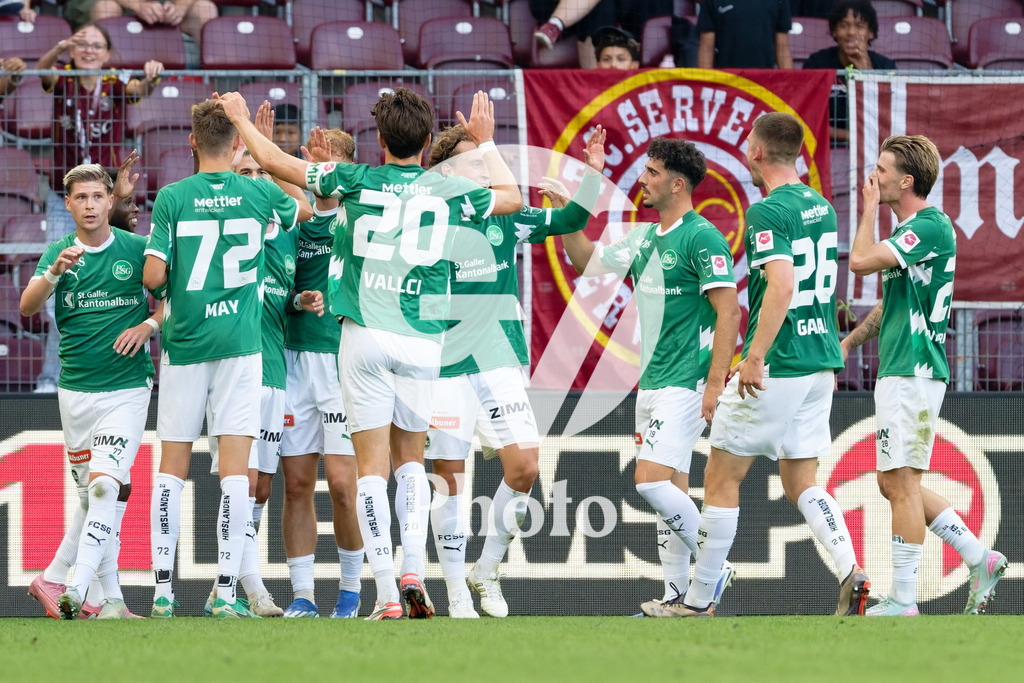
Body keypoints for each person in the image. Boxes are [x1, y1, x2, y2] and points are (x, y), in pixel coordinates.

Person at [218, 86, 523, 620]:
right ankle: (412, 570)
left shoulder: (352, 179)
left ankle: (385, 593)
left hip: (363, 336)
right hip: (424, 338)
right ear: (429, 142)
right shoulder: (447, 190)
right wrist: (486, 141)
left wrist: (245, 122)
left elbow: (271, 162)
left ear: (377, 140)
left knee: (370, 469)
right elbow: (513, 198)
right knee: (411, 461)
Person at [679, 112, 869, 618]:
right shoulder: (822, 206)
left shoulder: (768, 211)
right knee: (801, 481)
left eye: (748, 140)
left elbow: (782, 285)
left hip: (780, 362)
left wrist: (754, 355)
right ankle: (852, 569)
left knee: (721, 476)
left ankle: (697, 601)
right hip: (819, 363)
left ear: (758, 152)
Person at [422, 124, 602, 618]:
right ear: (447, 171)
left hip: (499, 356)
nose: (482, 170)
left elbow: (570, 218)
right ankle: (457, 590)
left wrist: (592, 174)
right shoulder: (431, 216)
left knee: (523, 467)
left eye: (485, 162)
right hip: (445, 362)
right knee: (449, 477)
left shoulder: (509, 217)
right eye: (472, 162)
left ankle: (488, 568)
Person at [561, 135, 742, 618]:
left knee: (649, 482)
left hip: (686, 381)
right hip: (654, 380)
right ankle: (677, 595)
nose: (642, 180)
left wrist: (715, 382)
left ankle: (713, 566)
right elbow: (586, 261)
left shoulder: (702, 236)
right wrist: (573, 206)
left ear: (677, 183)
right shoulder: (642, 236)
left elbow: (729, 312)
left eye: (652, 172)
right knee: (673, 491)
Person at [144, 98, 311, 619]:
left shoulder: (172, 196)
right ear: (238, 145)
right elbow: (302, 209)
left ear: (192, 142)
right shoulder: (259, 190)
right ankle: (224, 591)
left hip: (186, 347)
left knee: (171, 470)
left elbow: (152, 279)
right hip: (240, 350)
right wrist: (270, 152)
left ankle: (163, 594)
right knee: (236, 475)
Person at [843, 135, 1008, 616]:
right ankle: (980, 557)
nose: (874, 177)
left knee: (903, 483)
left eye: (881, 170)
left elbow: (858, 261)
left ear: (905, 180)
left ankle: (906, 600)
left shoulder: (929, 227)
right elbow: (891, 302)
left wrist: (868, 207)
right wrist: (849, 343)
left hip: (913, 371)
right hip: (904, 369)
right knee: (894, 483)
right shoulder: (912, 236)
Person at [20, 163, 161, 619]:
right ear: (68, 204)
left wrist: (149, 323)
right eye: (80, 198)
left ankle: (73, 589)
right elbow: (26, 306)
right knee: (97, 500)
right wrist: (54, 274)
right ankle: (110, 600)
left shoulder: (137, 248)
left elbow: (178, 296)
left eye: (97, 196)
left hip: (127, 387)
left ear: (108, 200)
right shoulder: (59, 252)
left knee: (103, 491)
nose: (89, 205)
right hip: (76, 392)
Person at [33, 22, 163, 393]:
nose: (89, 51)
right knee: (56, 283)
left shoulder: (115, 82)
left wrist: (151, 78)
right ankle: (50, 376)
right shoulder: (63, 78)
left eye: (96, 45)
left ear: (107, 53)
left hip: (107, 195)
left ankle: (131, 370)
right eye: (82, 45)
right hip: (67, 199)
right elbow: (42, 72)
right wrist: (60, 46)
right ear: (73, 51)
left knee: (119, 277)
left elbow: (142, 88)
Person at [275, 128, 363, 620]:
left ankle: (351, 591)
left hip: (341, 364)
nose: (321, 166)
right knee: (298, 484)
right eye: (315, 160)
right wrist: (299, 300)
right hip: (293, 363)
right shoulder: (296, 223)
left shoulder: (360, 221)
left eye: (332, 159)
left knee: (345, 486)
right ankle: (303, 595)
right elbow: (275, 286)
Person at [803, 1, 896, 143]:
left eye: (859, 26)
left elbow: (887, 119)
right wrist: (852, 136)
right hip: (827, 145)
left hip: (874, 145)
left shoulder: (886, 66)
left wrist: (866, 67)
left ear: (870, 32)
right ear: (834, 31)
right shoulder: (816, 64)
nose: (851, 32)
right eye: (844, 25)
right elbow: (807, 121)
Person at [697, 0, 793, 69]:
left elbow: (783, 50)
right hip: (726, 83)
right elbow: (706, 50)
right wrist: (705, 85)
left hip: (764, 83)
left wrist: (791, 87)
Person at [88, 0, 217, 48]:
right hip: (122, 9)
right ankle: (108, 86)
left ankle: (214, 92)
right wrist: (137, 5)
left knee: (205, 8)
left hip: (164, 10)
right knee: (105, 7)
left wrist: (180, 6)